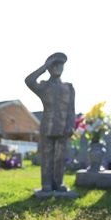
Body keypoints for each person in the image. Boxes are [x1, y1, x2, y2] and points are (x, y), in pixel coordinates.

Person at [25, 52, 76, 192]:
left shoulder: (69, 88)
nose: (58, 68)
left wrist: (72, 125)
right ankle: (46, 184)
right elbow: (28, 80)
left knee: (60, 158)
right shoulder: (43, 86)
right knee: (47, 157)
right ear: (49, 68)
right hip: (48, 127)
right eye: (54, 65)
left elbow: (71, 109)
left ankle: (58, 183)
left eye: (60, 65)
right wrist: (44, 66)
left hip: (63, 128)